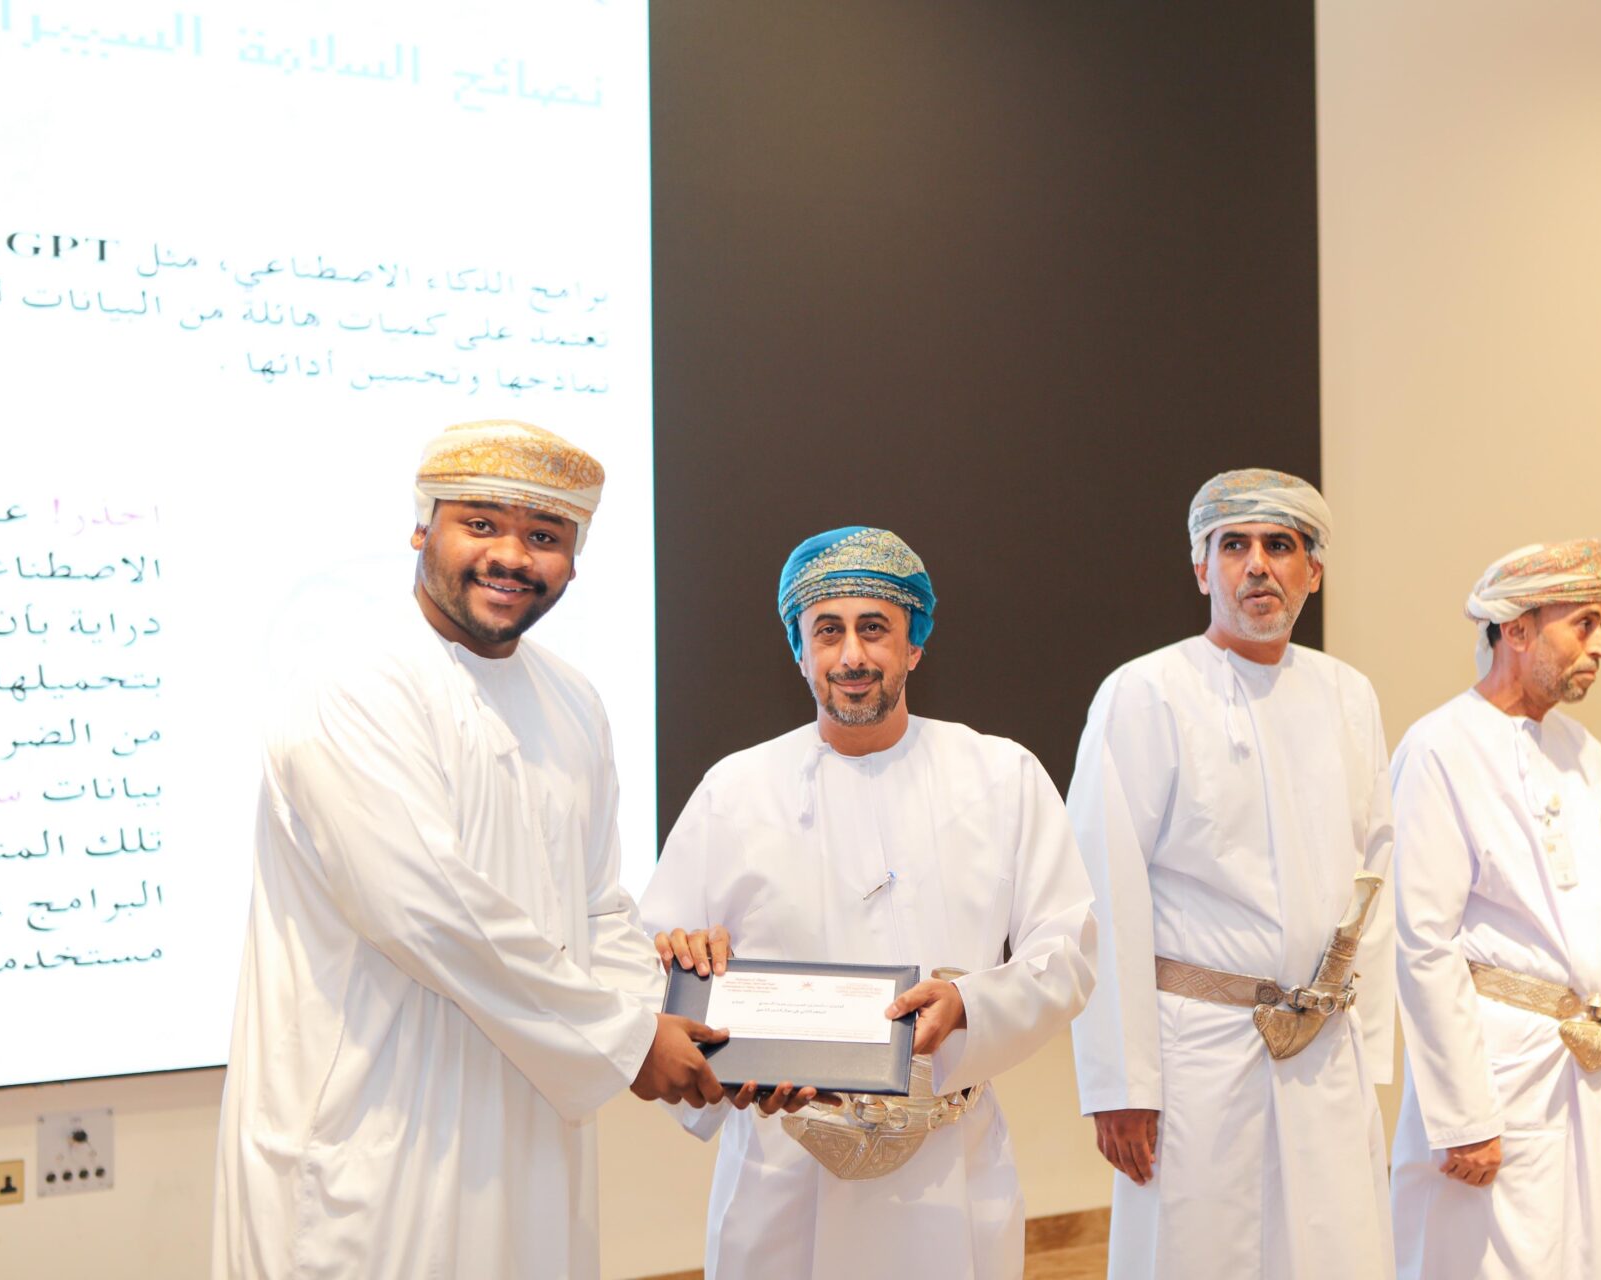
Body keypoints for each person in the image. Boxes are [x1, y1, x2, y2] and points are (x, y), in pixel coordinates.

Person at [212, 420, 726, 1280]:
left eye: (545, 536)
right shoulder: (354, 681)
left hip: (526, 1128)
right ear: (423, 528)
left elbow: (596, 907)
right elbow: (423, 909)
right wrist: (630, 1040)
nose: (511, 557)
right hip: (375, 1131)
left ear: (574, 560)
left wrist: (693, 1040)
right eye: (481, 525)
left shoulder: (572, 700)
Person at [639, 525, 1097, 1280]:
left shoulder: (1002, 776)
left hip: (948, 1167)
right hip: (783, 1167)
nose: (852, 655)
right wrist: (685, 969)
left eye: (874, 628)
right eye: (828, 631)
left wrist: (969, 1005)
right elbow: (654, 958)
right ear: (800, 650)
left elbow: (1068, 948)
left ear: (914, 645)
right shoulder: (734, 791)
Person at [1067, 468, 1396, 1278]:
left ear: (1313, 572)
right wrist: (1120, 1083)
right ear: (1200, 567)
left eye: (1279, 545)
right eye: (1234, 546)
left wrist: (1371, 1050)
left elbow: (1378, 873)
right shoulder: (1144, 693)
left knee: (1333, 1254)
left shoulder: (1348, 696)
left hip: (1325, 1053)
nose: (1257, 566)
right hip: (1197, 1059)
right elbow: (1100, 891)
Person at [1390, 538, 1601, 1279]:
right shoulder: (1438, 749)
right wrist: (1461, 1113)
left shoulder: (1586, 752)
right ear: (1516, 629)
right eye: (1584, 624)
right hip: (1501, 1073)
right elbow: (1422, 942)